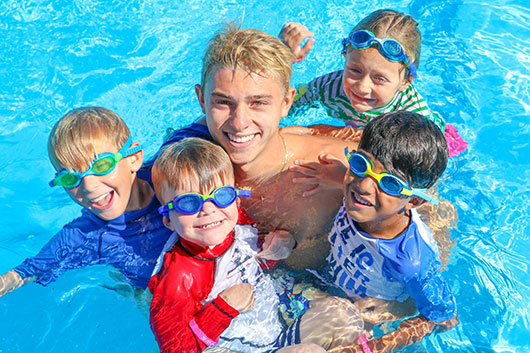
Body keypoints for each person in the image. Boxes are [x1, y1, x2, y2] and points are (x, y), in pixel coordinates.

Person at [153, 23, 360, 270]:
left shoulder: (336, 167)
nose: (239, 123)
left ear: (286, 102)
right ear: (201, 100)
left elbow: (413, 207)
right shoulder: (186, 176)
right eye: (222, 102)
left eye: (258, 102)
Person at [148, 138, 362, 353]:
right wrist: (224, 307)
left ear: (237, 200)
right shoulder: (179, 279)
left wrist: (281, 245)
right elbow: (176, 349)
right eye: (189, 203)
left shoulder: (236, 223)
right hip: (232, 347)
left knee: (343, 314)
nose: (208, 210)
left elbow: (251, 261)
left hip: (270, 329)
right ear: (168, 220)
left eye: (221, 196)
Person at [317, 111, 459, 352]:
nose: (363, 185)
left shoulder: (410, 260)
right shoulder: (360, 195)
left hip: (363, 315)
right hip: (328, 282)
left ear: (413, 200)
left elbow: (445, 316)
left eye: (390, 183)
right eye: (360, 164)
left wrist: (395, 311)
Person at [0, 107, 172, 298]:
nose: (88, 186)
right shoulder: (84, 235)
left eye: (101, 166)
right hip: (149, 290)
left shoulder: (171, 173)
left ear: (133, 158)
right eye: (69, 179)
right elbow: (23, 273)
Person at [279, 9, 468, 158]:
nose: (361, 86)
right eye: (355, 70)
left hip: (431, 144)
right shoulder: (330, 87)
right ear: (345, 57)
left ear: (406, 82)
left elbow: (408, 158)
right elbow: (284, 106)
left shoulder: (412, 115)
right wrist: (285, 60)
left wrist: (322, 132)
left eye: (379, 79)